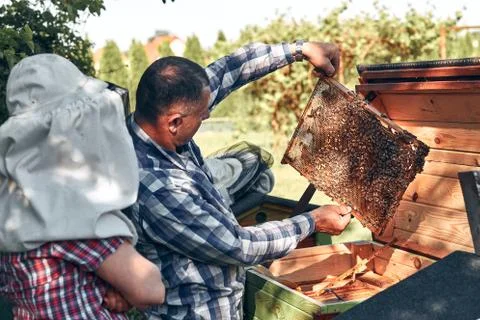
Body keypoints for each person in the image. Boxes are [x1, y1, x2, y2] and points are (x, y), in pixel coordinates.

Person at [124, 40, 351, 319]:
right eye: (201, 117)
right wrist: (312, 221)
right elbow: (236, 245)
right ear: (174, 123)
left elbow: (231, 69)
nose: (207, 115)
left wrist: (300, 50)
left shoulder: (160, 116)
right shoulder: (157, 187)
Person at [0, 54, 165, 319]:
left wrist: (114, 289)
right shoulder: (70, 216)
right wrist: (127, 292)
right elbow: (149, 289)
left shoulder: (16, 206)